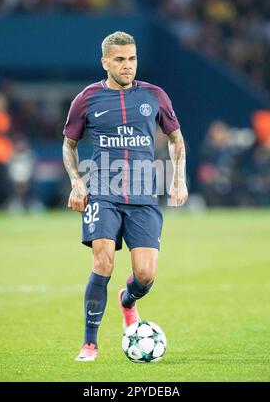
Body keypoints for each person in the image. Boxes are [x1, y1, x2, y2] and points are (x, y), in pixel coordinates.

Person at [62, 31, 188, 362]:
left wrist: (179, 179)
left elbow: (176, 139)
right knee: (103, 260)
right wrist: (77, 181)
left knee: (145, 275)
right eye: (119, 59)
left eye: (132, 59)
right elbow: (69, 144)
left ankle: (128, 300)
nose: (127, 65)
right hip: (103, 192)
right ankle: (90, 344)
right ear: (105, 62)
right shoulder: (87, 99)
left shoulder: (155, 95)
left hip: (144, 196)